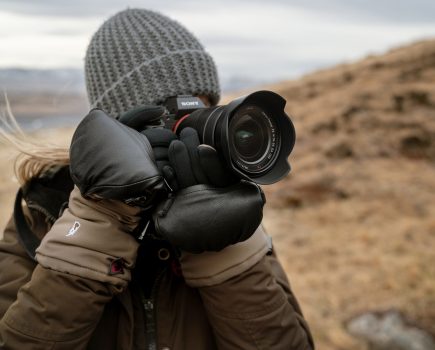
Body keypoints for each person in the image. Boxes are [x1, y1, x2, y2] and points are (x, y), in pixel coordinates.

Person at [0, 8, 315, 350]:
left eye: (203, 110)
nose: (189, 137)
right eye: (167, 116)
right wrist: (101, 218)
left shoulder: (237, 215)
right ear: (117, 132)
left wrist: (220, 247)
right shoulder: (43, 211)